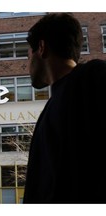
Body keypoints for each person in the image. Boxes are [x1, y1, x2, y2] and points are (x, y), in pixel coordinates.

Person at [23, 13, 106, 203]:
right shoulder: (57, 102)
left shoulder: (93, 76)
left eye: (30, 55)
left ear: (42, 48)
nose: (29, 65)